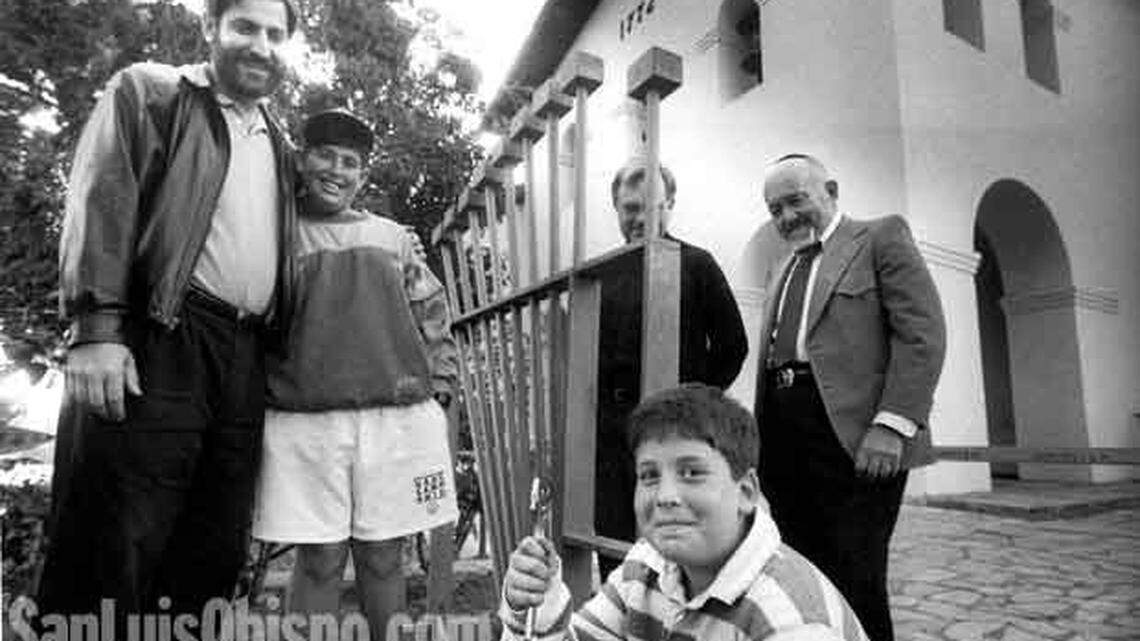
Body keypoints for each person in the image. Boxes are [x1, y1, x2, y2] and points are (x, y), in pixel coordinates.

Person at [38, 0, 298, 621]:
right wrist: (97, 327)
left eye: (275, 34)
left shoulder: (283, 145)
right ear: (210, 29)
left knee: (211, 546)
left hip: (244, 359)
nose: (261, 45)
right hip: (161, 337)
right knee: (116, 538)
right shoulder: (152, 93)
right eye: (245, 27)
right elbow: (103, 194)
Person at [251, 109, 459, 640]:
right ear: (302, 159)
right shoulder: (274, 237)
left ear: (363, 176)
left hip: (393, 418)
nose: (337, 170)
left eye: (351, 162)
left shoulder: (391, 237)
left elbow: (431, 310)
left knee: (384, 557)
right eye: (325, 155)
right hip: (303, 422)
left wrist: (442, 382)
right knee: (318, 560)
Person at [500, 383, 869, 641]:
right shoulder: (646, 566)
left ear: (746, 492)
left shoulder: (788, 620)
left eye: (692, 473)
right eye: (649, 475)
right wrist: (535, 607)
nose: (665, 496)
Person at [753, 154, 946, 641]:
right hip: (785, 442)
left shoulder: (881, 237)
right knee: (802, 577)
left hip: (857, 443)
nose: (786, 218)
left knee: (856, 578)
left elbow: (921, 334)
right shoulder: (783, 269)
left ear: (830, 190)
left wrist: (892, 424)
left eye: (795, 201)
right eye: (775, 209)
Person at [594, 160, 748, 576]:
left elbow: (734, 346)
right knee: (616, 543)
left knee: (677, 540)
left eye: (652, 206)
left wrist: (691, 405)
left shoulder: (696, 264)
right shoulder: (601, 274)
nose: (641, 217)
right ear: (616, 208)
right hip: (613, 438)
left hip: (677, 431)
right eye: (630, 208)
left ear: (671, 204)